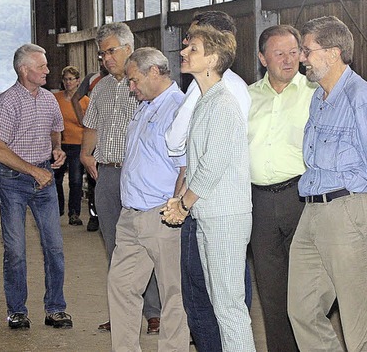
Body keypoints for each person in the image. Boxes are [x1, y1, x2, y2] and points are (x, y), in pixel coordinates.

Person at [162, 23, 255, 351]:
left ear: (214, 59)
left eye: (194, 49)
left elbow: (212, 165)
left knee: (230, 308)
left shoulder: (223, 104)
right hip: (211, 213)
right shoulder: (207, 98)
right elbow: (198, 160)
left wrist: (183, 204)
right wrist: (184, 201)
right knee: (220, 303)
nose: (184, 52)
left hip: (226, 215)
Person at [288, 16, 367, 352]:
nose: (301, 58)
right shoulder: (318, 97)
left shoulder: (359, 97)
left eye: (307, 50)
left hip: (347, 211)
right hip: (311, 210)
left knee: (357, 320)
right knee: (301, 309)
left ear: (334, 53)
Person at [80, 22, 161, 334]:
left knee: (147, 243)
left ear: (129, 48)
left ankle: (154, 312)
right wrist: (86, 154)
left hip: (138, 175)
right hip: (107, 174)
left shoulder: (144, 84)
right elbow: (93, 124)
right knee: (115, 246)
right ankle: (123, 313)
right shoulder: (100, 87)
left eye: (110, 51)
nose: (105, 58)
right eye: (102, 54)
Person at [108, 47, 190, 351]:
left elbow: (186, 167)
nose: (131, 87)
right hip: (130, 216)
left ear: (154, 72)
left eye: (134, 80)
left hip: (161, 215)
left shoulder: (178, 109)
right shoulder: (144, 105)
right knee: (121, 286)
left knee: (173, 294)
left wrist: (175, 207)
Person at [0, 43, 72, 330]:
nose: (48, 70)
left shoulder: (49, 99)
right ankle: (17, 311)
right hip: (14, 182)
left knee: (55, 247)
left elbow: (54, 128)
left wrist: (57, 148)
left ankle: (55, 308)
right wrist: (33, 170)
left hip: (44, 178)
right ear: (25, 70)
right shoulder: (6, 102)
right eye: (42, 66)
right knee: (15, 250)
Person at [247, 25, 316, 352]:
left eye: (294, 52)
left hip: (302, 200)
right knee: (272, 292)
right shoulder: (246, 97)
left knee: (309, 293)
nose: (289, 60)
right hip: (259, 203)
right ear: (263, 58)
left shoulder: (316, 93)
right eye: (279, 54)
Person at [72, 65, 108, 232]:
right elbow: (75, 98)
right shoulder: (93, 79)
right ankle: (95, 216)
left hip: (112, 135)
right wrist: (83, 120)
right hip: (95, 135)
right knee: (94, 177)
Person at [53, 66, 89, 226]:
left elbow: (89, 125)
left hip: (77, 144)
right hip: (59, 143)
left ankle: (74, 213)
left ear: (78, 81)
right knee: (56, 178)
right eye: (66, 79)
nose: (68, 82)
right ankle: (57, 208)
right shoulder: (56, 98)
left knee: (75, 180)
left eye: (71, 79)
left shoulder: (85, 101)